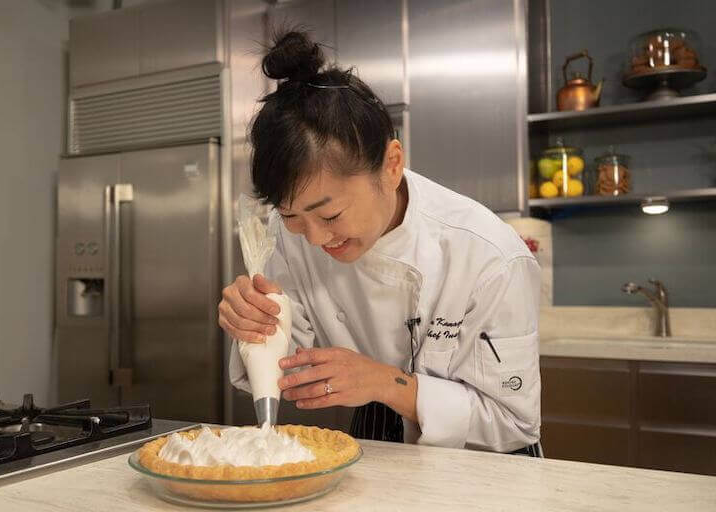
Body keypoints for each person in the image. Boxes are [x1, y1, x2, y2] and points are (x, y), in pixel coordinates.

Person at [221, 30, 542, 455]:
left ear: (391, 165)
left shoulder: (490, 256)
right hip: (380, 443)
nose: (315, 238)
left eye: (330, 215)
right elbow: (284, 363)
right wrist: (256, 326)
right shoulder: (292, 238)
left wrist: (383, 382)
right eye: (291, 216)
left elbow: (513, 424)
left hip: (487, 463)